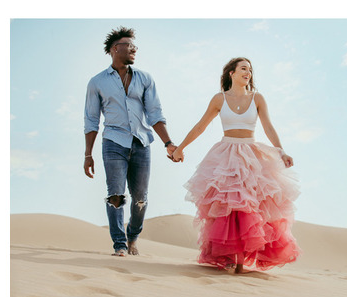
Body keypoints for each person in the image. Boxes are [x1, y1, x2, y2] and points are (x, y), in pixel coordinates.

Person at [171, 57, 301, 274]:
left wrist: (281, 151)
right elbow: (200, 126)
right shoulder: (219, 99)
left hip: (251, 154)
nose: (247, 72)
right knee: (228, 206)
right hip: (226, 154)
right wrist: (180, 148)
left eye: (249, 70)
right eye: (243, 68)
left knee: (251, 206)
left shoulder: (257, 98)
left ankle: (241, 260)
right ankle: (230, 257)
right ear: (231, 73)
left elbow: (268, 127)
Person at [83, 26, 177, 256]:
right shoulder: (97, 82)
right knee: (115, 194)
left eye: (136, 46)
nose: (134, 49)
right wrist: (88, 154)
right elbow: (91, 120)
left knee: (140, 198)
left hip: (141, 143)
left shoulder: (145, 78)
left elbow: (155, 113)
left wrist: (168, 143)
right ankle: (120, 244)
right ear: (116, 48)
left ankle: (133, 235)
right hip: (113, 143)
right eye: (129, 45)